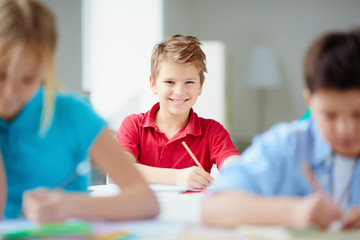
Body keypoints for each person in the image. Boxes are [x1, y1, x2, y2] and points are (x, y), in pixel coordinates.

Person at [0, 0, 159, 223]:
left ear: (44, 72)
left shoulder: (72, 112)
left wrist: (71, 205)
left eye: (27, 79)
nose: (9, 93)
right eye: (1, 74)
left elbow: (146, 201)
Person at [202, 28, 360, 230]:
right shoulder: (287, 145)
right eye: (330, 115)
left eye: (358, 115)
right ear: (309, 102)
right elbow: (214, 207)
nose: (345, 129)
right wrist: (295, 212)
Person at [117, 34, 240, 189]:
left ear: (200, 86)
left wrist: (238, 171)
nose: (179, 91)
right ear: (153, 84)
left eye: (189, 82)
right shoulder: (133, 125)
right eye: (169, 82)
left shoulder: (212, 131)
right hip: (141, 212)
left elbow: (233, 165)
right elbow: (119, 170)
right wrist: (176, 177)